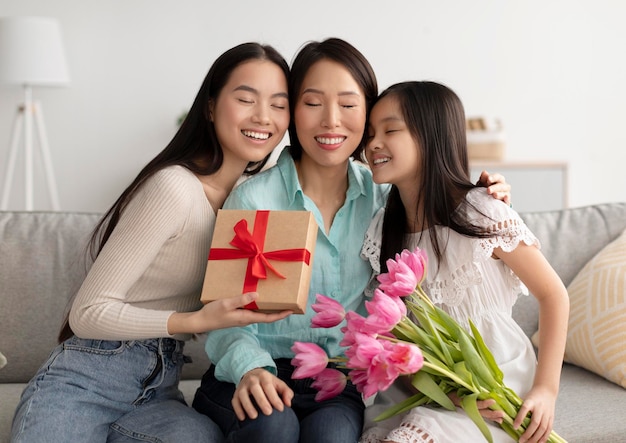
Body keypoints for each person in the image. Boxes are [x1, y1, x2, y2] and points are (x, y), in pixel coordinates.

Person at [192, 38, 512, 443]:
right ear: (292, 111)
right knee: (275, 427)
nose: (331, 120)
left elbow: (445, 225)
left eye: (347, 104)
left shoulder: (387, 202)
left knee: (333, 436)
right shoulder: (253, 199)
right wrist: (250, 368)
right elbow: (220, 314)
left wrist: (481, 194)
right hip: (251, 372)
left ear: (368, 113)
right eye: (312, 103)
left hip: (335, 381)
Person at [11, 42, 294, 443]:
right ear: (211, 107)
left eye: (279, 105)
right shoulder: (174, 188)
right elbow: (87, 312)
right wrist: (193, 322)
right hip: (85, 380)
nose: (263, 116)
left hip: (160, 392)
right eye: (246, 98)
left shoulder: (254, 202)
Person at [359, 81, 569, 443]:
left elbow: (553, 296)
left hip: (497, 379)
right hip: (432, 390)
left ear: (432, 137)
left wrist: (546, 390)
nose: (373, 143)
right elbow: (397, 341)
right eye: (370, 133)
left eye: (390, 130)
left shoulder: (483, 212)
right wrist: (447, 394)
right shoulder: (382, 230)